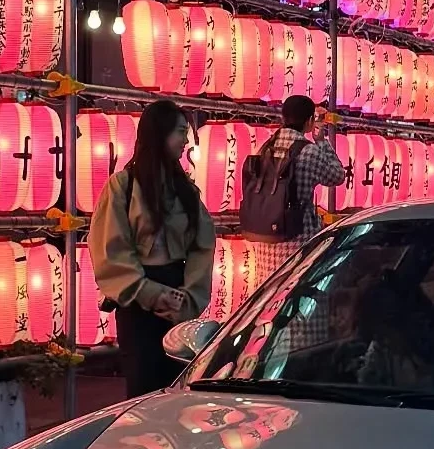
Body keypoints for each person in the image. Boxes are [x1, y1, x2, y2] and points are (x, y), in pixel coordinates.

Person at [88, 98, 216, 397]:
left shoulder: (185, 189)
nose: (186, 141)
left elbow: (202, 246)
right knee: (143, 389)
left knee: (178, 390)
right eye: (181, 132)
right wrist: (151, 294)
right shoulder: (122, 186)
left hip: (179, 297)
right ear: (160, 134)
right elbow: (111, 250)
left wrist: (188, 297)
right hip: (137, 302)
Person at [246, 94, 347, 282]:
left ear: (284, 117)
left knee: (272, 293)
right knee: (296, 290)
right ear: (309, 121)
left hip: (267, 241)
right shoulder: (308, 151)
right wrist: (321, 141)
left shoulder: (265, 147)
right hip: (298, 239)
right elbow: (337, 176)